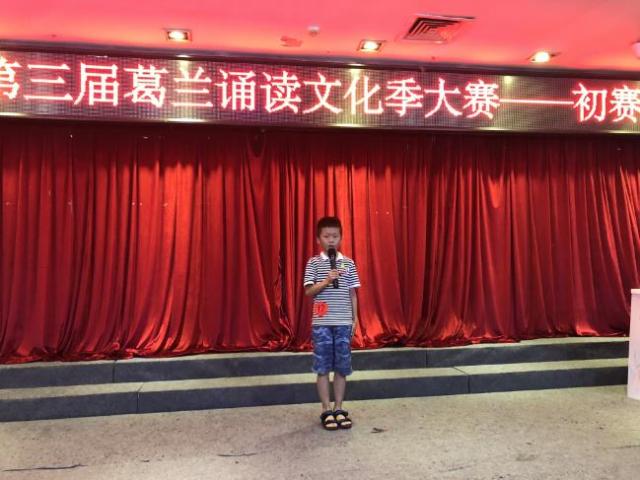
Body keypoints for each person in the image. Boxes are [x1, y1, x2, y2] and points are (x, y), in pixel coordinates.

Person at [303, 216, 361, 430]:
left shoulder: (348, 263)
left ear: (341, 238)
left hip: (343, 322)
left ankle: (339, 407)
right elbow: (309, 291)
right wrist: (326, 281)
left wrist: (355, 318)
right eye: (326, 236)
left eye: (335, 236)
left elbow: (352, 293)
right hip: (322, 323)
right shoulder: (314, 263)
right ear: (318, 239)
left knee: (342, 367)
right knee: (323, 366)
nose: (331, 240)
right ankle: (326, 409)